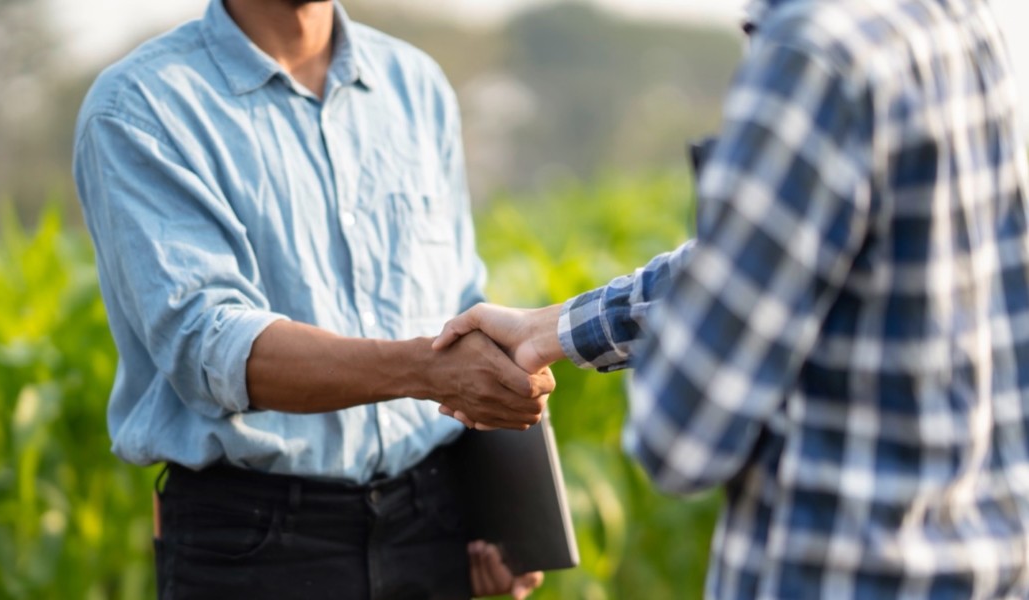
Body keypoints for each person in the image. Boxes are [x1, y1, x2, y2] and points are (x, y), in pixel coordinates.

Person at [435, 0, 1029, 597]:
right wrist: (552, 328)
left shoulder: (812, 53)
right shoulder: (951, 17)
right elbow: (816, 248)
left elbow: (681, 437)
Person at [72, 0, 550, 597]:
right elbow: (213, 346)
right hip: (255, 539)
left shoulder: (413, 83)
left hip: (434, 520)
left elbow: (462, 301)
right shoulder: (143, 106)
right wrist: (424, 372)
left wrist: (508, 519)